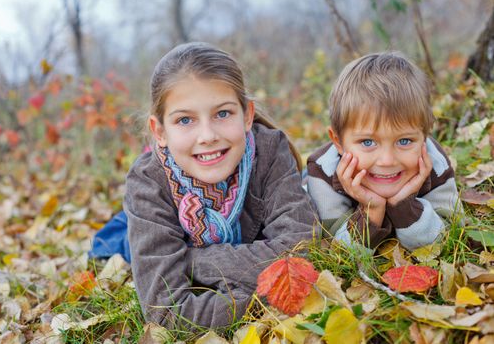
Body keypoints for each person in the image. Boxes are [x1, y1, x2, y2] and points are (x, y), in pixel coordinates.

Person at [123, 42, 318, 329]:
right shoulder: (148, 185)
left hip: (196, 246)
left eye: (223, 114)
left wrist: (195, 262)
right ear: (160, 131)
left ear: (247, 115)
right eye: (185, 120)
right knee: (116, 242)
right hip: (157, 219)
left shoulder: (269, 151)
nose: (207, 135)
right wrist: (267, 297)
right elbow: (165, 312)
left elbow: (303, 252)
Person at [307, 51, 460, 252]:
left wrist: (404, 207)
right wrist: (371, 211)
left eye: (404, 141)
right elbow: (336, 253)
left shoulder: (433, 161)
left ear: (424, 136)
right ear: (338, 142)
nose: (387, 161)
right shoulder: (322, 172)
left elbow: (448, 237)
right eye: (368, 142)